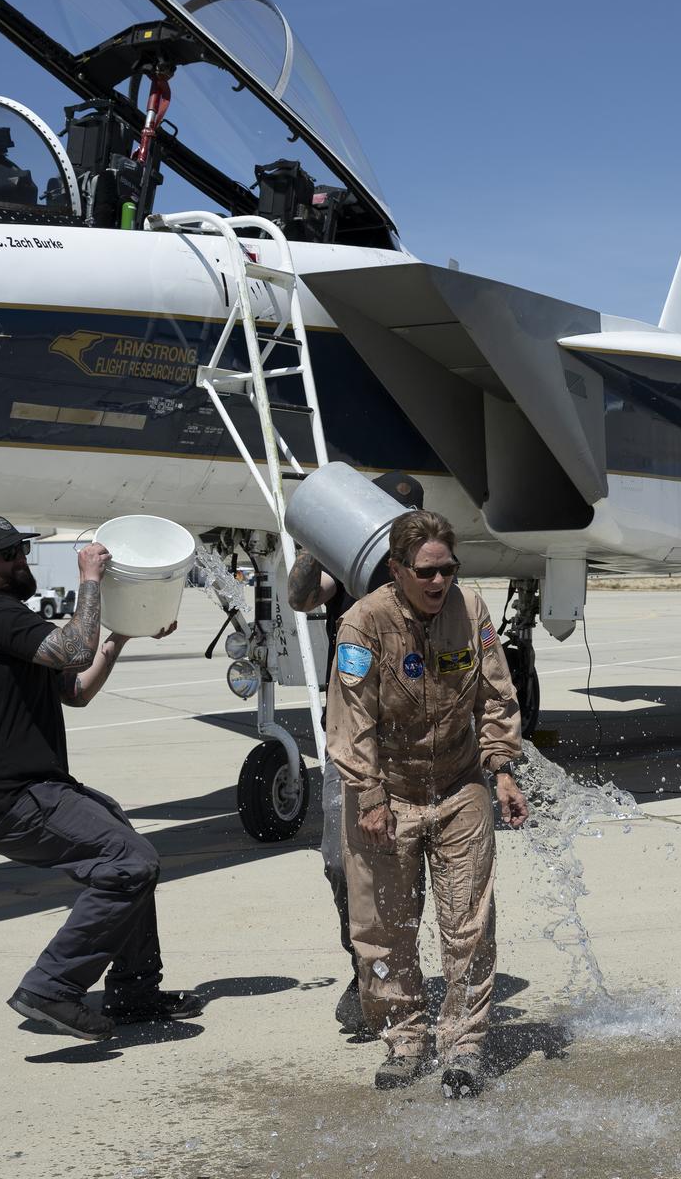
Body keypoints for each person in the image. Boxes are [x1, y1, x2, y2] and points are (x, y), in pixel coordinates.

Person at [0, 515, 197, 1042]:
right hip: (14, 798)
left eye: (20, 551)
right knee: (130, 862)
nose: (19, 561)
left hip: (36, 789)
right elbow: (74, 649)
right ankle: (51, 988)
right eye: (6, 555)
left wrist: (121, 635)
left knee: (123, 840)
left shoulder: (7, 617)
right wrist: (91, 581)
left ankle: (134, 991)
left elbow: (75, 688)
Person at [323, 509, 529, 1096]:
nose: (440, 583)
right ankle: (405, 1039)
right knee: (384, 927)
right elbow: (350, 717)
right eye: (426, 572)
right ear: (397, 569)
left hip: (460, 784)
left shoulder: (472, 611)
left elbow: (496, 693)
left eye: (448, 569)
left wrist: (502, 768)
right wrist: (367, 793)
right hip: (387, 791)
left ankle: (464, 1045)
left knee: (468, 922)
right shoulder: (364, 623)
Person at [286, 470, 424, 1036]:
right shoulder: (348, 571)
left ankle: (399, 976)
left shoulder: (430, 575)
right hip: (352, 736)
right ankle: (365, 968)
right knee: (342, 863)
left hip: (417, 741)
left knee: (414, 865)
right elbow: (301, 596)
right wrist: (309, 546)